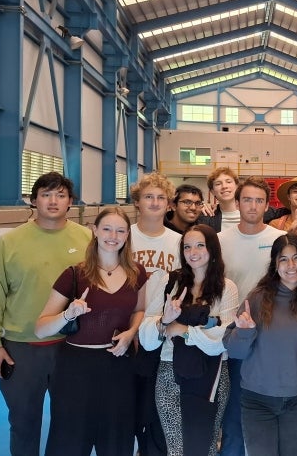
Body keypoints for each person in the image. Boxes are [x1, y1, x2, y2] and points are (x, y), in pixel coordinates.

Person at [0, 171, 92, 456]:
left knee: (71, 422)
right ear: (33, 201)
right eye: (46, 195)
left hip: (72, 347)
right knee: (23, 422)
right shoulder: (10, 242)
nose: (53, 201)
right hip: (22, 348)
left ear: (70, 202)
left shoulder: (87, 238)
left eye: (60, 195)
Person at [35, 207, 147, 455]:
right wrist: (68, 314)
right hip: (76, 369)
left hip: (119, 367)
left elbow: (139, 310)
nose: (113, 236)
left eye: (120, 231)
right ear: (95, 231)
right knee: (70, 440)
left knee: (116, 441)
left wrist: (131, 332)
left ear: (127, 235)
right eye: (107, 229)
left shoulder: (136, 273)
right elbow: (41, 328)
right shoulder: (74, 275)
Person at [139, 224, 239, 456]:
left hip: (212, 374)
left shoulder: (227, 288)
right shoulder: (171, 282)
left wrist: (182, 330)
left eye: (200, 245)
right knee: (176, 448)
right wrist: (165, 321)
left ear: (212, 249)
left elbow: (223, 338)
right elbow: (147, 336)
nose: (193, 252)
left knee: (206, 447)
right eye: (187, 247)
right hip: (170, 373)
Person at [222, 234, 297, 456]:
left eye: (296, 257)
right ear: (274, 265)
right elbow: (234, 351)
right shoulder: (257, 298)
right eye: (283, 259)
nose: (291, 265)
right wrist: (244, 332)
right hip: (258, 402)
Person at [218, 176, 287, 456]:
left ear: (267, 206)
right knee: (234, 410)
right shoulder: (220, 241)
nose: (253, 206)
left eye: (259, 201)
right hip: (235, 335)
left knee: (268, 408)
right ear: (237, 203)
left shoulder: (279, 240)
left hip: (271, 336)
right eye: (247, 199)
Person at [130, 172, 183, 456]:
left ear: (169, 204)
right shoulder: (123, 235)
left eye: (161, 197)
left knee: (156, 404)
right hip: (125, 329)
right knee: (127, 402)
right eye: (148, 196)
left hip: (161, 330)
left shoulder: (179, 242)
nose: (154, 202)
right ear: (137, 201)